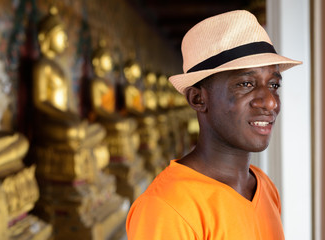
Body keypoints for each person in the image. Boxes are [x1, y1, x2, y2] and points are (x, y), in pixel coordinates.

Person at [126, 10, 302, 239]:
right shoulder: (168, 207)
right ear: (198, 99)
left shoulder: (264, 186)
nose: (269, 101)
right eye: (246, 83)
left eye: (274, 85)